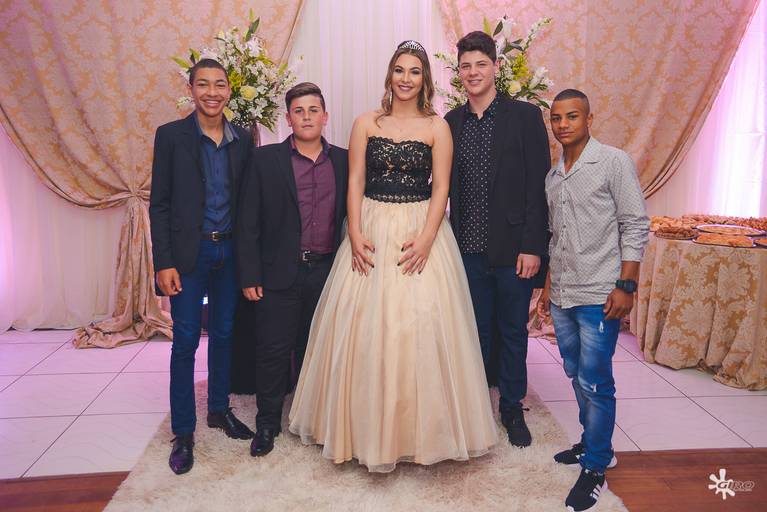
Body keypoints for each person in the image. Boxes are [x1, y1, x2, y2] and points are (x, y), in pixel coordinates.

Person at [287, 40, 498, 473]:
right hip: (372, 225)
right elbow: (355, 180)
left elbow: (442, 188)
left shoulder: (438, 127)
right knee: (363, 325)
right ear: (390, 75)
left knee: (421, 325)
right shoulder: (366, 123)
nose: (406, 78)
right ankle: (360, 429)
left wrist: (426, 238)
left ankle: (420, 434)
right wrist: (355, 231)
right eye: (399, 70)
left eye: (414, 71)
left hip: (421, 227)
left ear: (425, 79)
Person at [537, 89, 649, 511]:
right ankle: (593, 443)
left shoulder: (613, 162)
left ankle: (597, 465)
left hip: (601, 293)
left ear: (588, 119)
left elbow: (635, 224)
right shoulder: (553, 175)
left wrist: (626, 285)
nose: (563, 124)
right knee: (575, 371)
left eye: (572, 116)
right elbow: (556, 236)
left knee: (596, 381)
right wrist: (548, 287)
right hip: (564, 293)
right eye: (557, 118)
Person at [444, 31, 551, 447]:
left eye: (481, 65)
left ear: (496, 67)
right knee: (473, 333)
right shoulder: (451, 122)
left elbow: (538, 187)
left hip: (513, 250)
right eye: (466, 66)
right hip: (466, 248)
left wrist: (533, 246)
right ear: (459, 73)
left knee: (512, 332)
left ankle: (511, 406)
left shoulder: (524, 117)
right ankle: (473, 410)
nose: (473, 72)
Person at [149, 58, 255, 475]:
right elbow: (159, 204)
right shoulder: (171, 136)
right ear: (191, 89)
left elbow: (247, 204)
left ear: (229, 90)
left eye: (220, 85)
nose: (212, 92)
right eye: (203, 84)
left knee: (225, 334)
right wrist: (164, 262)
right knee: (186, 340)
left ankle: (218, 409)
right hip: (188, 257)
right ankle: (183, 431)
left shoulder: (243, 138)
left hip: (229, 254)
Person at [236, 82, 349, 457]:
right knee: (273, 350)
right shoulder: (265, 160)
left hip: (327, 273)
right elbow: (248, 221)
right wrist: (250, 274)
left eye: (313, 110)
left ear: (325, 116)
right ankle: (267, 423)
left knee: (317, 350)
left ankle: (313, 420)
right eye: (299, 111)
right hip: (278, 273)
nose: (306, 117)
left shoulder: (344, 161)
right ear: (288, 119)